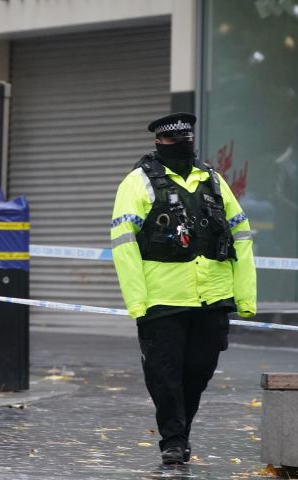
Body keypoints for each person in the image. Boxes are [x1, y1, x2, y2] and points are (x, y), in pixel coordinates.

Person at [109, 112, 257, 466]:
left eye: (186, 139)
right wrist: (137, 301)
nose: (182, 145)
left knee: (198, 373)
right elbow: (124, 244)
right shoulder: (138, 182)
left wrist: (245, 297)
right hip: (162, 300)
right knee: (165, 376)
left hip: (213, 299)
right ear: (159, 142)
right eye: (175, 141)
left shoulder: (214, 181)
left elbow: (241, 236)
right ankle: (173, 440)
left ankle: (180, 432)